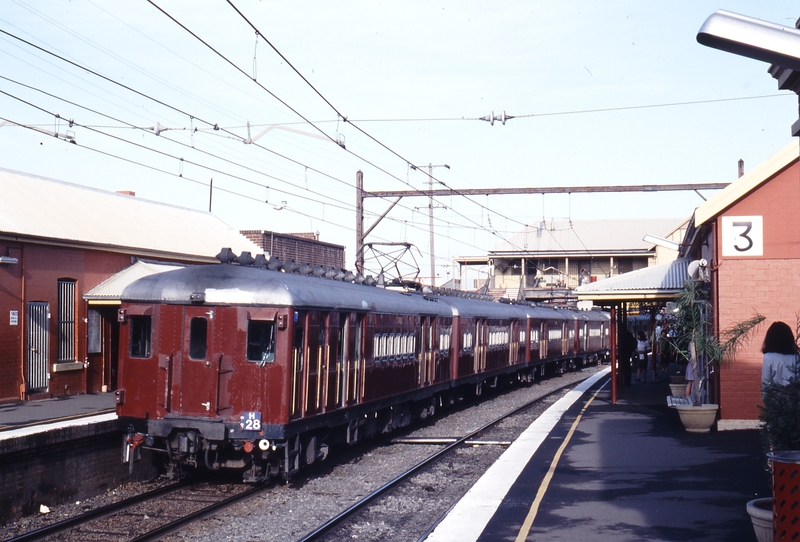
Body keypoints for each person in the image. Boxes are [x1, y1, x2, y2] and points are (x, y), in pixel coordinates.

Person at [762, 321, 799, 387]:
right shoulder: (796, 357)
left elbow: (765, 383)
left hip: (774, 396)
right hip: (792, 396)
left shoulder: (768, 357)